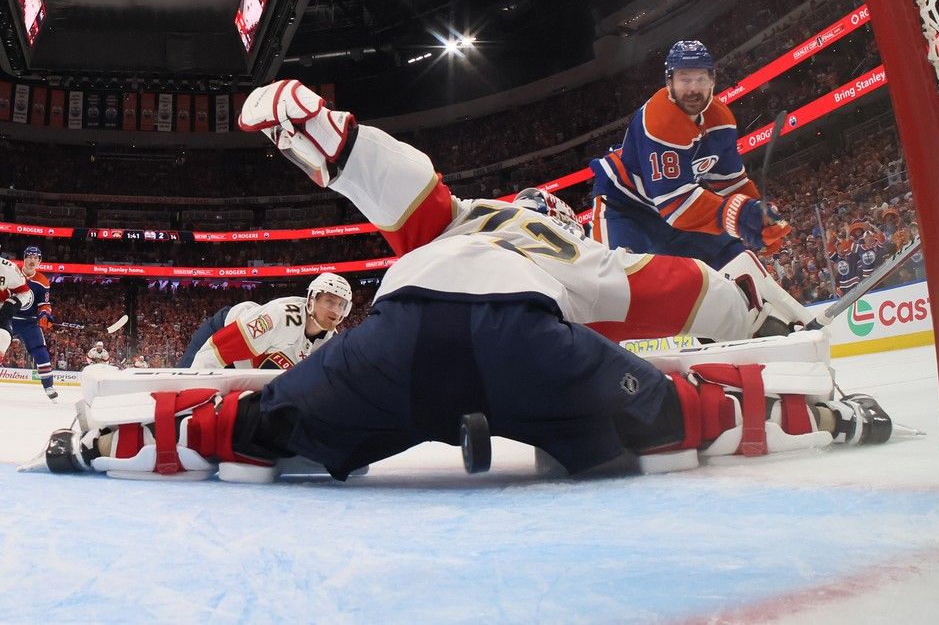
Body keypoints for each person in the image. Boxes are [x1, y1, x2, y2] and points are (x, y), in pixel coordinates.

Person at [31, 81, 892, 483]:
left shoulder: (452, 217)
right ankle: (807, 411)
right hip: (526, 340)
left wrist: (334, 142)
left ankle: (121, 440)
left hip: (400, 337)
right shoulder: (572, 248)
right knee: (667, 418)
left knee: (264, 430)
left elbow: (410, 189)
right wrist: (756, 307)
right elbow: (676, 290)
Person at [590, 40, 789, 269]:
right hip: (625, 208)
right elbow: (676, 204)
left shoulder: (722, 121)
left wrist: (761, 219)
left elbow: (732, 183)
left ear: (712, 82)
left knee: (739, 261)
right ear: (669, 82)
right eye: (685, 79)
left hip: (677, 211)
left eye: (701, 79)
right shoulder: (660, 119)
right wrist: (742, 215)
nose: (693, 89)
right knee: (617, 284)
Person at [177, 273, 352, 369]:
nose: (336, 311)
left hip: (247, 362)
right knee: (185, 391)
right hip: (221, 335)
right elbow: (213, 353)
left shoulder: (330, 341)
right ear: (312, 300)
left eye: (342, 305)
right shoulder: (281, 318)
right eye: (330, 301)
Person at [11, 246, 57, 399]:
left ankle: (48, 386)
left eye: (35, 258)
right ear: (24, 258)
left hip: (28, 323)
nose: (32, 260)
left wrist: (45, 312)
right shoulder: (12, 272)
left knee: (40, 352)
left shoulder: (43, 281)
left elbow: (43, 304)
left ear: (39, 261)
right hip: (7, 318)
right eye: (29, 257)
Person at [0, 247, 35, 375]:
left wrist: (13, 304)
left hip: (1, 309)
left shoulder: (9, 268)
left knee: (3, 337)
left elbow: (25, 293)